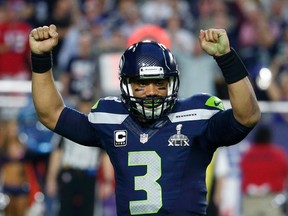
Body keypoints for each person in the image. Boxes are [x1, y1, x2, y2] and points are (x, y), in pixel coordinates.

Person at [29, 24, 260, 215]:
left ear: (173, 83)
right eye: (141, 85)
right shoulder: (111, 118)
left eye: (160, 84)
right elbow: (52, 114)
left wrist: (226, 58)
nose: (151, 92)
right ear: (125, 85)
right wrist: (40, 59)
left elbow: (247, 116)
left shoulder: (196, 115)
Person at [45, 96, 102, 216]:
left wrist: (107, 180)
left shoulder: (99, 128)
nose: (86, 107)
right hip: (69, 172)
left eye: (88, 103)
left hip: (89, 175)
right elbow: (57, 153)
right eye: (84, 103)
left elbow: (105, 155)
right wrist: (51, 178)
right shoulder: (68, 125)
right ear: (78, 104)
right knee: (65, 210)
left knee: (88, 211)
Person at [240, 124, 288, 216]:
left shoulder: (247, 155)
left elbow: (244, 171)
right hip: (271, 199)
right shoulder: (278, 154)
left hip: (251, 199)